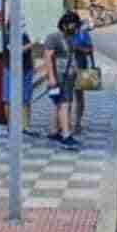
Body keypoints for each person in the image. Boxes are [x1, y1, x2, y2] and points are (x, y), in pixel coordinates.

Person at [43, 11, 84, 150]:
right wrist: (51, 77)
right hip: (59, 78)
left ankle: (54, 131)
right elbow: (47, 58)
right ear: (65, 24)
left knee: (59, 104)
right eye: (73, 24)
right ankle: (66, 135)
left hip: (68, 77)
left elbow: (70, 57)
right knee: (64, 105)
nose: (75, 28)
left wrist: (76, 70)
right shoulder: (53, 37)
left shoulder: (69, 38)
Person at [2, 19, 34, 135]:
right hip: (11, 69)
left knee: (26, 98)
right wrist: (30, 45)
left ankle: (25, 126)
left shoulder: (24, 35)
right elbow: (15, 51)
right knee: (8, 98)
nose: (23, 26)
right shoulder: (7, 36)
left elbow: (29, 53)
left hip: (26, 69)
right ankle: (11, 127)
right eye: (21, 24)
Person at [72, 19, 94, 134]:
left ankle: (78, 123)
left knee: (79, 96)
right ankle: (65, 122)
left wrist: (78, 48)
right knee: (66, 97)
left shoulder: (83, 34)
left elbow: (90, 49)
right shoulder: (65, 34)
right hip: (67, 69)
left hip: (81, 68)